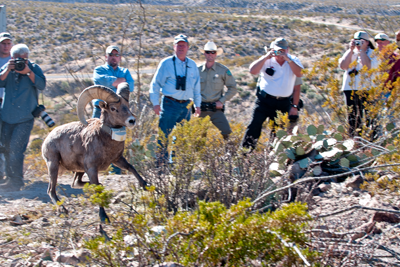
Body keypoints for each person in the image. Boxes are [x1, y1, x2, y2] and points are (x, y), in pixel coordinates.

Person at [241, 37, 303, 151]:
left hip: (283, 103)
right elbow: (252, 71)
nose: (280, 53)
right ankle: (245, 153)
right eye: (278, 50)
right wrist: (266, 57)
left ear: (288, 49)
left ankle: (273, 155)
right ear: (272, 49)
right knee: (254, 126)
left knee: (278, 131)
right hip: (264, 101)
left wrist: (294, 106)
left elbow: (299, 74)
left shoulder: (293, 60)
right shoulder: (266, 60)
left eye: (283, 50)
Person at [0, 44, 46, 191]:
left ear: (27, 57)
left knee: (16, 148)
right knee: (6, 148)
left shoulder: (34, 67)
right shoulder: (9, 68)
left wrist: (29, 72)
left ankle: (16, 181)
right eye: (18, 59)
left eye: (24, 58)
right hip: (7, 115)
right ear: (12, 58)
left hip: (25, 117)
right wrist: (8, 69)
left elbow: (41, 84)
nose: (21, 61)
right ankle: (9, 178)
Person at [149, 34, 201, 163]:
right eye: (178, 45)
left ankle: (177, 164)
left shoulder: (193, 65)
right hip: (169, 104)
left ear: (188, 47)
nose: (181, 48)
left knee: (182, 136)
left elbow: (197, 87)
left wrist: (197, 105)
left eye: (183, 45)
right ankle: (161, 165)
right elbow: (155, 84)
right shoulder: (166, 63)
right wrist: (155, 103)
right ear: (174, 47)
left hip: (187, 106)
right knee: (164, 135)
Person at [93, 45, 134, 175]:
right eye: (111, 55)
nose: (114, 58)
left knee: (116, 141)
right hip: (101, 110)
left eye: (116, 55)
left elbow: (130, 85)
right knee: (95, 140)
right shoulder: (99, 69)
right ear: (106, 57)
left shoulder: (125, 71)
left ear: (120, 57)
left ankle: (115, 172)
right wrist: (118, 81)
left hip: (118, 113)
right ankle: (92, 168)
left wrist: (111, 82)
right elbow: (99, 80)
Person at [339, 31, 378, 137]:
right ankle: (354, 139)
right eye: (356, 41)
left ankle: (370, 139)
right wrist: (351, 50)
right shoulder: (350, 52)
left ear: (367, 42)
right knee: (353, 115)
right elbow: (343, 66)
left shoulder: (373, 53)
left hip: (367, 88)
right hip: (350, 88)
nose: (358, 43)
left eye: (361, 41)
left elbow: (368, 67)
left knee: (369, 116)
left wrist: (361, 51)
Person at [197, 41, 237, 139]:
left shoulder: (223, 70)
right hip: (200, 109)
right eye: (208, 52)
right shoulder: (196, 70)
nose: (210, 54)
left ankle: (229, 154)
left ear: (216, 54)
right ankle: (199, 154)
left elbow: (233, 88)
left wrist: (221, 101)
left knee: (227, 133)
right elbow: (189, 88)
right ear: (204, 53)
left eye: (213, 52)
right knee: (199, 136)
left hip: (215, 109)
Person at [0, 32, 12, 182]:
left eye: (8, 43)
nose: (6, 46)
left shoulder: (17, 60)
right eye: (3, 43)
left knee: (7, 141)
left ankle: (9, 174)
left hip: (10, 106)